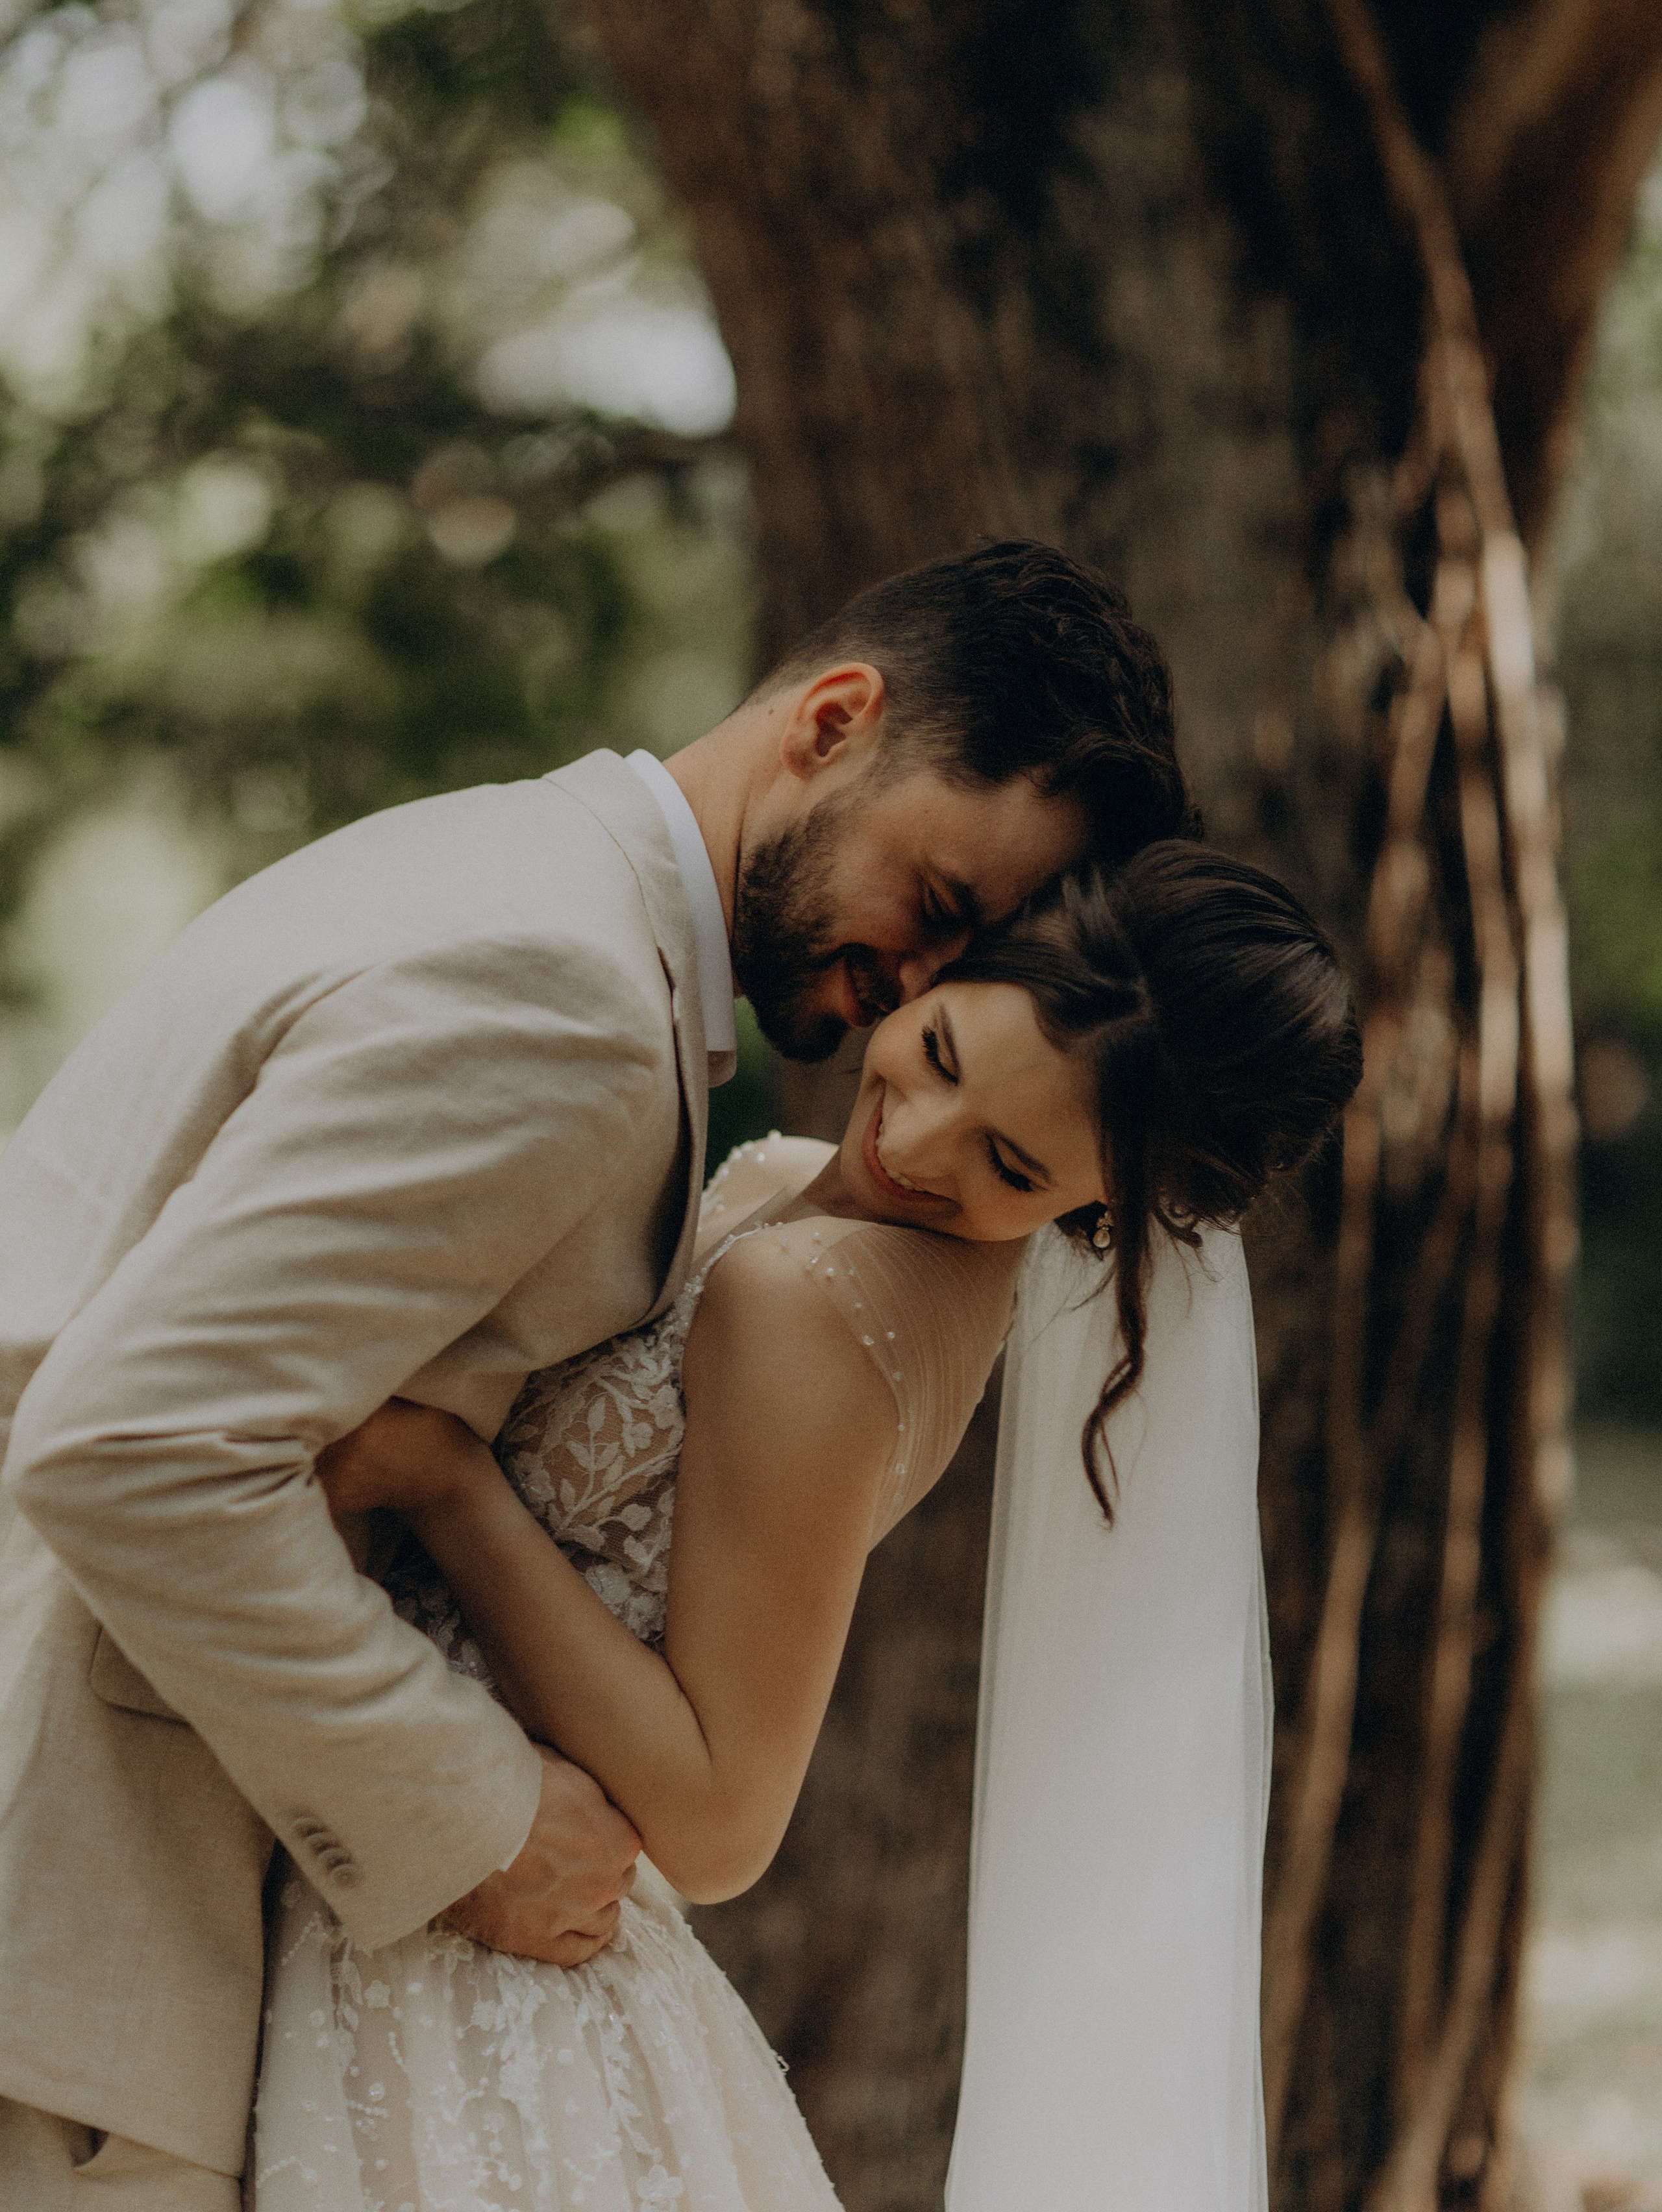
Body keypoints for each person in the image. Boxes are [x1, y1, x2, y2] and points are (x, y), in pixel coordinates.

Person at [0, 541, 1191, 2209]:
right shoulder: (561, 991)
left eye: (964, 961)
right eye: (933, 909)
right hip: (75, 1917)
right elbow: (129, 1447)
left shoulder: (511, 869)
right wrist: (473, 1820)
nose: (909, 997)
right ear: (834, 719)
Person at [251, 844, 1361, 2211]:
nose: (910, 1143)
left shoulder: (813, 1301)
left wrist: (447, 1485)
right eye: (939, 1053)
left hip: (478, 1960)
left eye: (1007, 1164)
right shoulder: (790, 1188)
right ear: (945, 970)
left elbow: (722, 1823)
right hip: (409, 1859)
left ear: (1098, 1210)